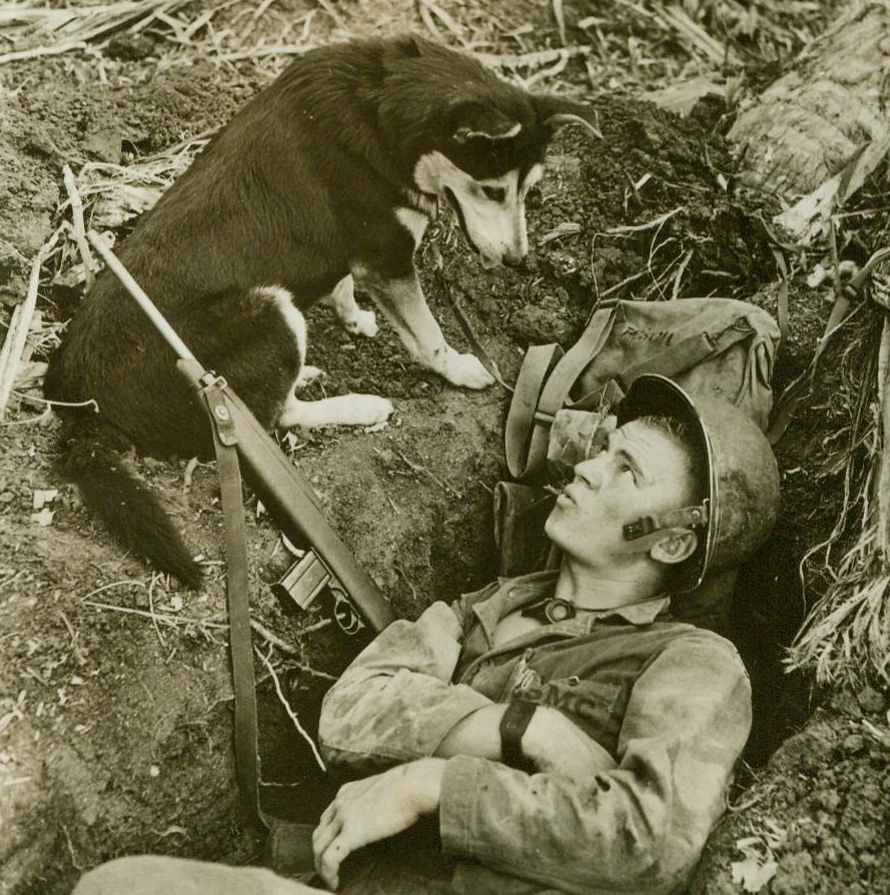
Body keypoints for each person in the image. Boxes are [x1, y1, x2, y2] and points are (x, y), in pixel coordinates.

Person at [73, 374, 780, 894]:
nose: (587, 468)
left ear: (672, 542)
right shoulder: (486, 608)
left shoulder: (692, 661)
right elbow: (350, 712)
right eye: (604, 450)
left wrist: (435, 781)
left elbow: (650, 840)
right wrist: (521, 728)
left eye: (627, 470)